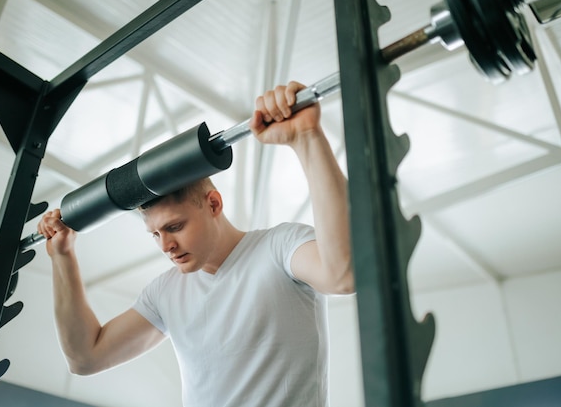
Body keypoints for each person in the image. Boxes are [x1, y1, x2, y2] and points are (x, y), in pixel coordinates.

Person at [37, 81, 354, 407]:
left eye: (174, 226)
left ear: (213, 204)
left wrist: (307, 138)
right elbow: (85, 358)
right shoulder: (166, 292)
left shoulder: (279, 248)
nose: (165, 246)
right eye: (156, 234)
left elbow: (344, 274)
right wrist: (62, 256)